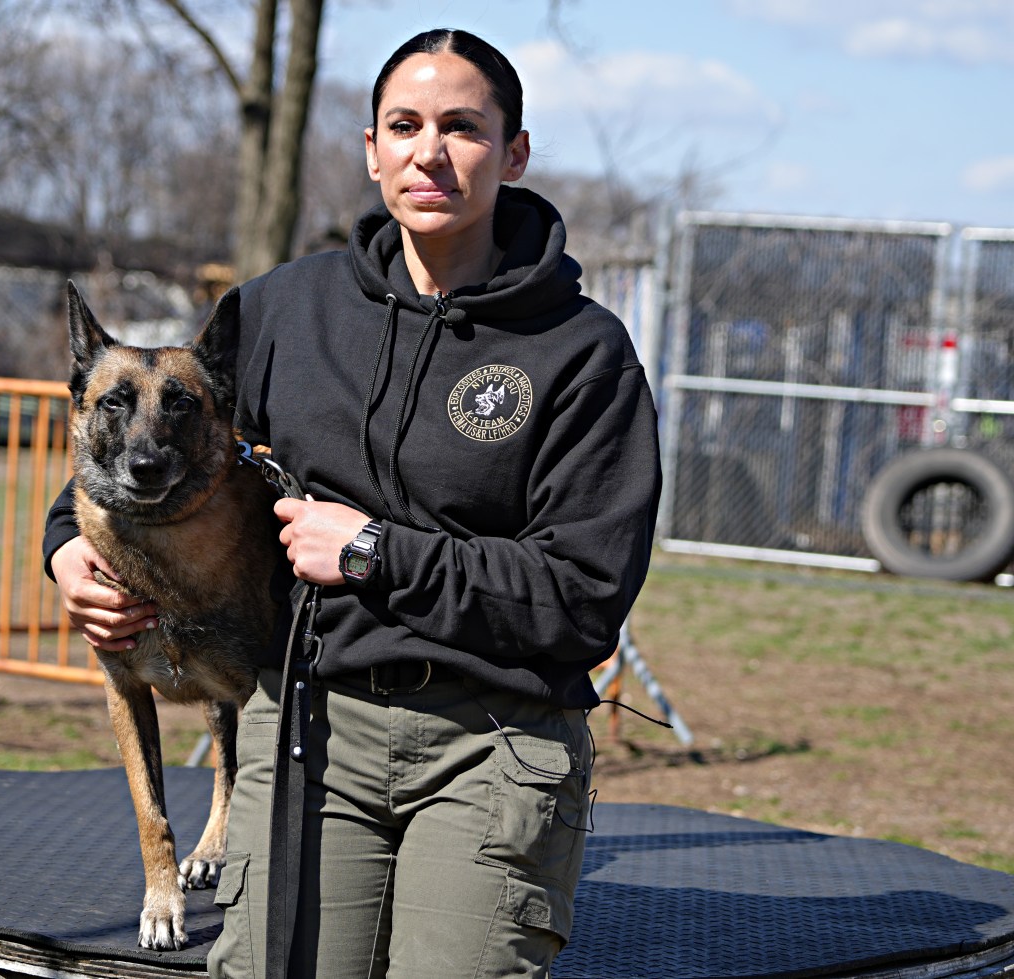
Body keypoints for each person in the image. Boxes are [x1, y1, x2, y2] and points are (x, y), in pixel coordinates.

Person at [44, 27, 662, 979]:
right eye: (403, 125)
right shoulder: (284, 311)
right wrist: (67, 551)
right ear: (371, 148)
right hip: (302, 727)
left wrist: (377, 552)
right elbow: (149, 446)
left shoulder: (581, 352)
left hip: (492, 737)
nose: (430, 151)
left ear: (515, 151)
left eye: (463, 126)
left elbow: (584, 594)